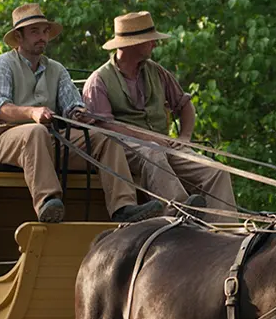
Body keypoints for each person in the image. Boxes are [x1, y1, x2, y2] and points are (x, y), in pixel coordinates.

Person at [0, 3, 163, 223]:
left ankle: (123, 207)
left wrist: (78, 113)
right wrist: (32, 113)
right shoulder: (1, 65)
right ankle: (48, 203)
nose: (42, 37)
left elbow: (72, 105)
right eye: (35, 32)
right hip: (8, 139)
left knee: (106, 139)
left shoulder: (57, 69)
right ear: (18, 38)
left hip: (52, 140)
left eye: (45, 31)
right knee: (35, 132)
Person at [82, 11, 237, 222]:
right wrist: (151, 139)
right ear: (131, 44)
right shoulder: (99, 80)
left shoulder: (158, 72)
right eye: (150, 41)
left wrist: (184, 138)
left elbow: (184, 105)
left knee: (215, 171)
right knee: (153, 154)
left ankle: (226, 232)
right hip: (124, 149)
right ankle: (181, 214)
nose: (155, 45)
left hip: (163, 146)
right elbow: (105, 128)